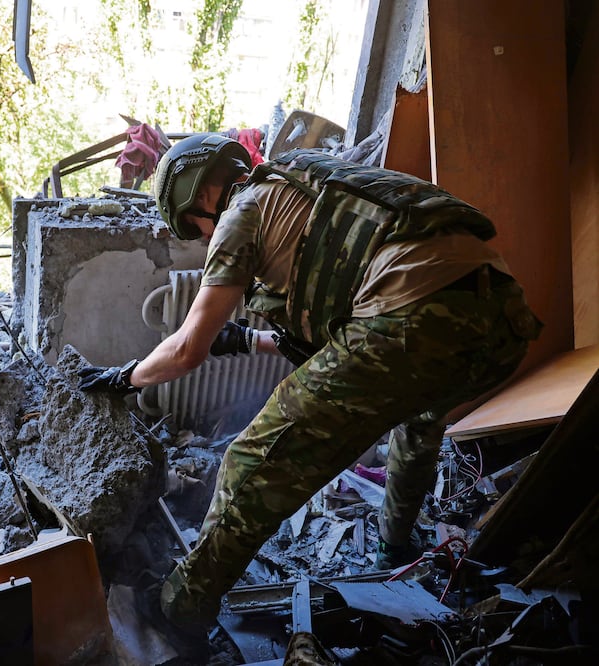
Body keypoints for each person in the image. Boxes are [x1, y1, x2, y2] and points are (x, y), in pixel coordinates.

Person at [77, 134, 542, 642]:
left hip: (410, 317)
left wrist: (125, 376)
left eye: (194, 226)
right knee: (418, 424)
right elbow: (339, 337)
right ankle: (394, 547)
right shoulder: (311, 184)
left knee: (252, 461)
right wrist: (249, 340)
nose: (203, 236)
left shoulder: (242, 209)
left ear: (197, 195)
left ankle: (181, 606)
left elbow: (187, 348)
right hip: (500, 325)